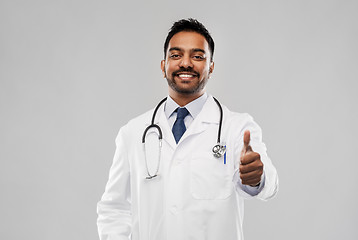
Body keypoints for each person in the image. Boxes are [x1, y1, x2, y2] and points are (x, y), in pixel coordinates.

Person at [97, 18, 278, 240]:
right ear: (163, 66)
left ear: (210, 67)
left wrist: (256, 178)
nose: (186, 63)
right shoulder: (133, 133)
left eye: (197, 56)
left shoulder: (237, 128)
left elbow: (268, 185)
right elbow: (114, 208)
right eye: (176, 55)